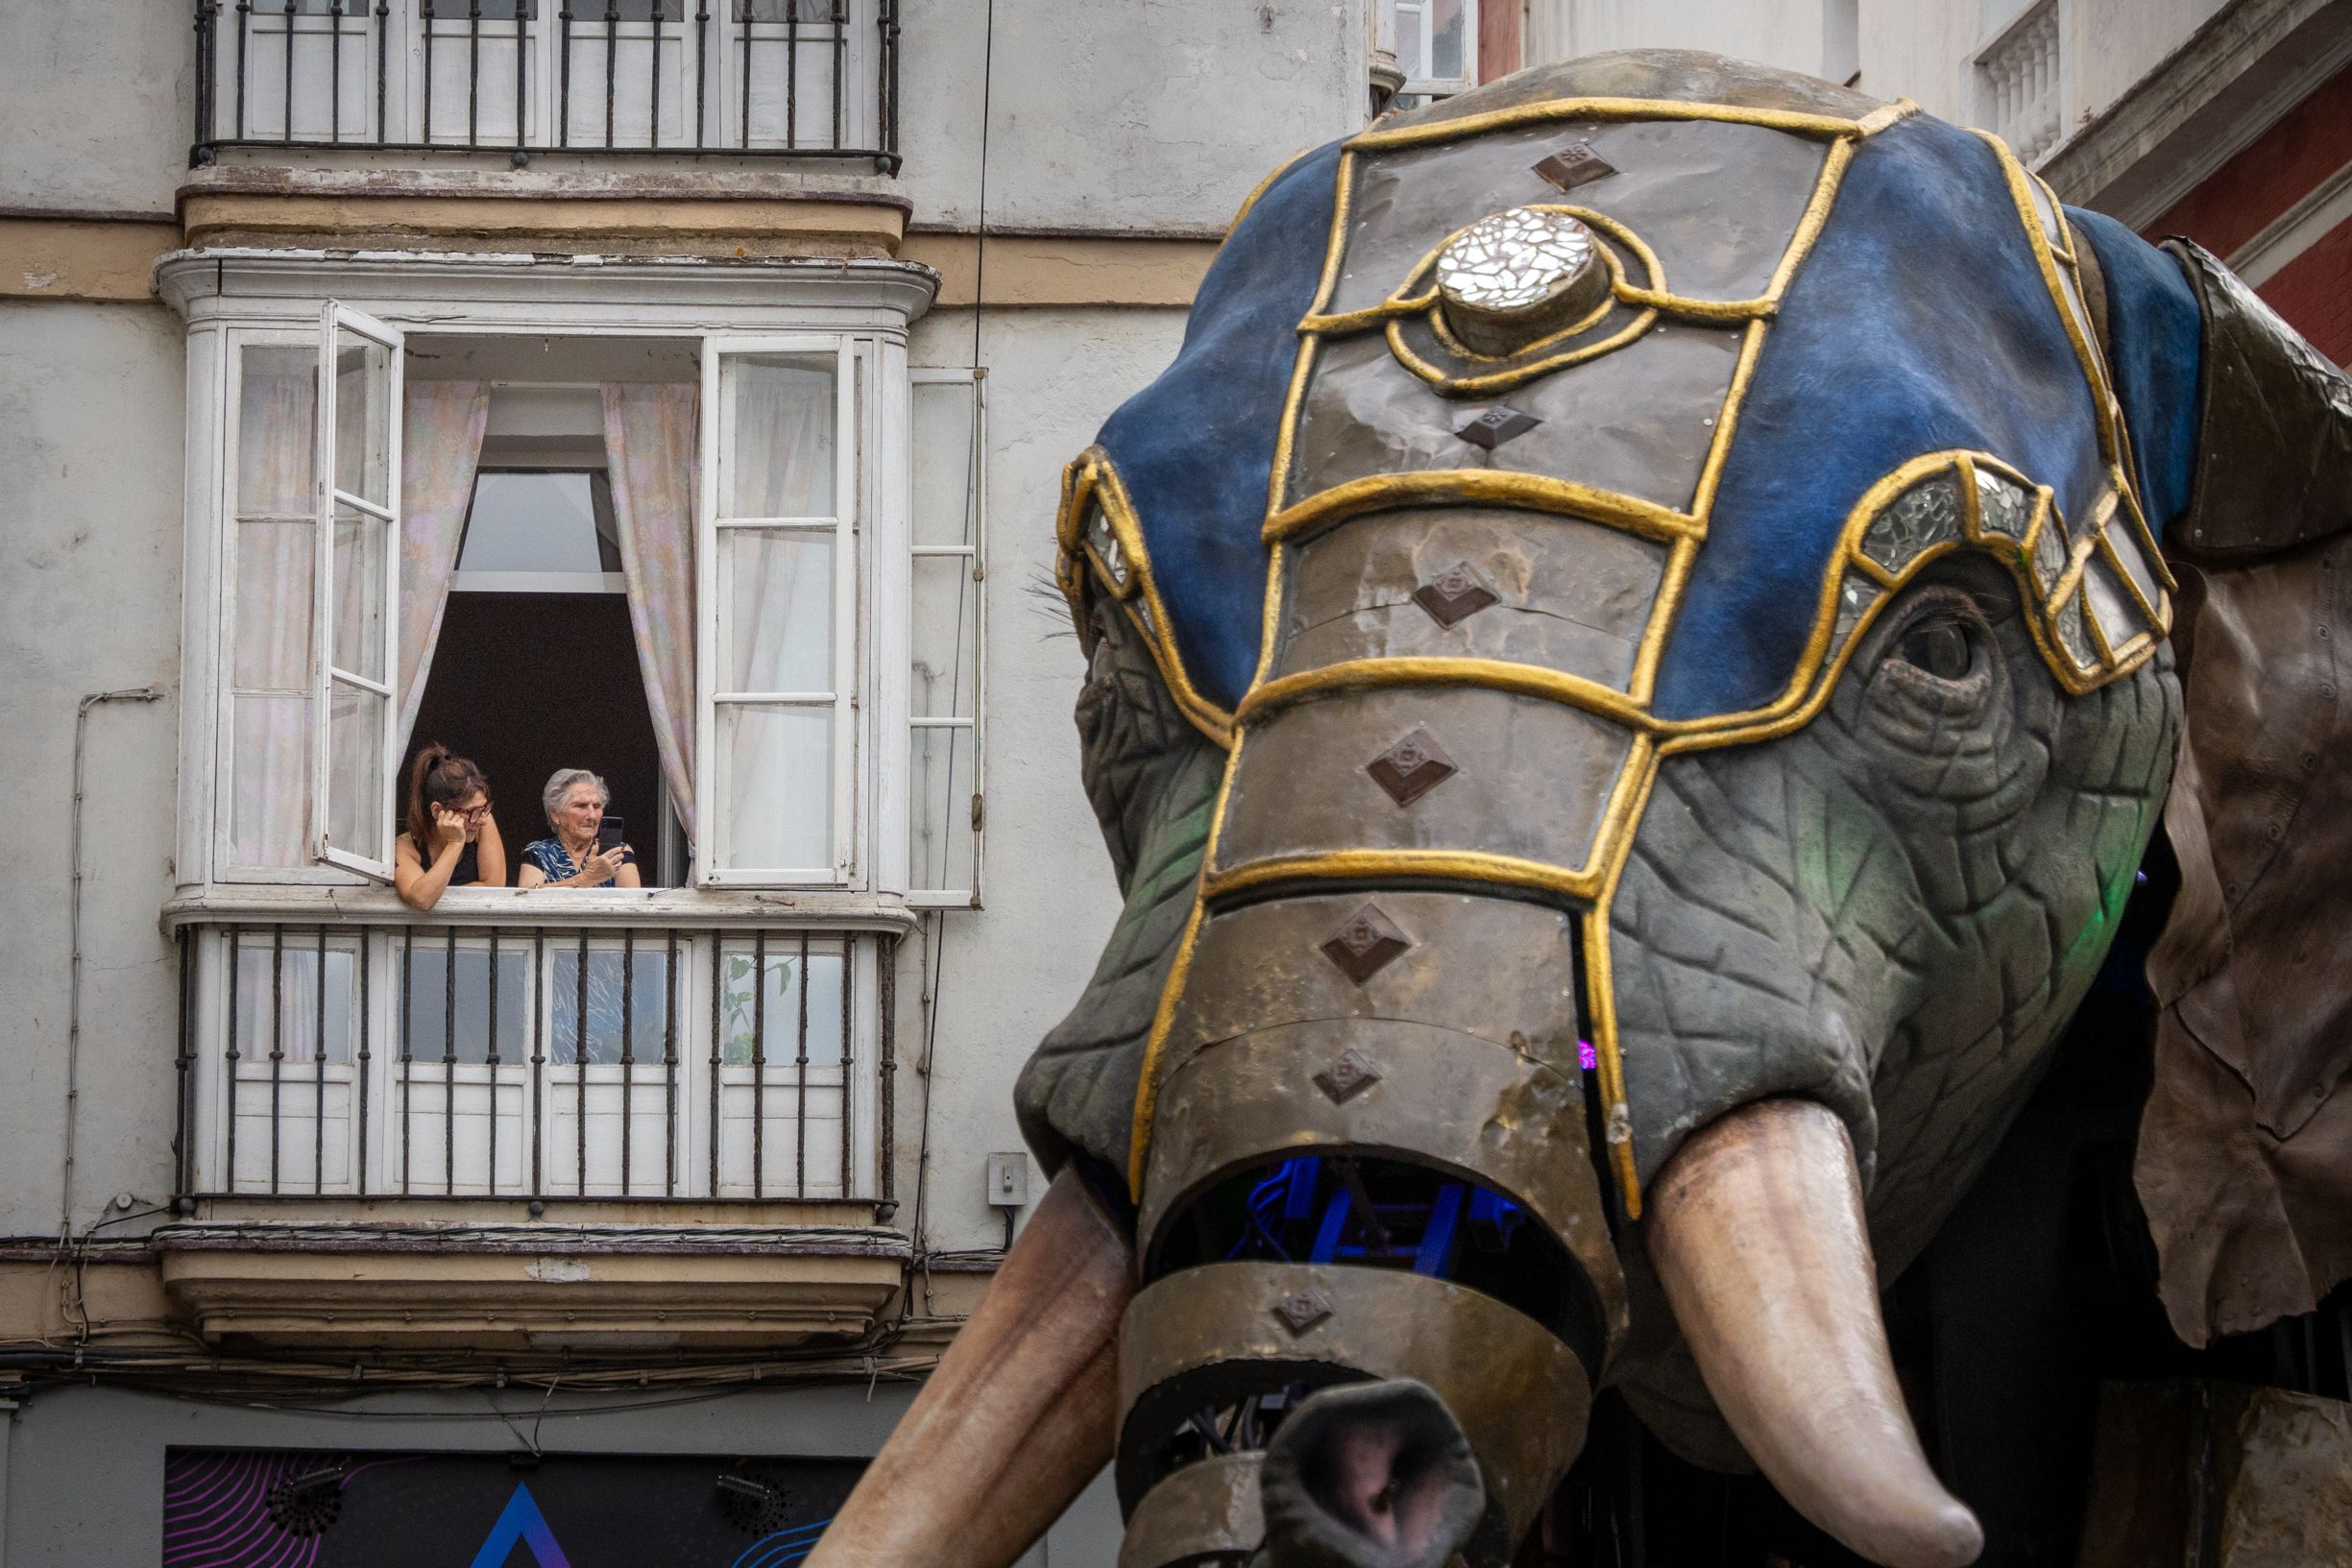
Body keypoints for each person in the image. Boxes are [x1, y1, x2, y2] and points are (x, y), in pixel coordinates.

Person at [393, 746, 508, 911]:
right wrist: (455, 843)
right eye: (472, 811)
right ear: (437, 811)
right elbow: (421, 898)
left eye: (484, 808)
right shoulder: (405, 847)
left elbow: (494, 887)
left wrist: (436, 889)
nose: (482, 819)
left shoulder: (482, 820)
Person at [518, 767, 640, 889]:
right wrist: (587, 879)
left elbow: (634, 903)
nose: (592, 816)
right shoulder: (539, 852)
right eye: (581, 806)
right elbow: (524, 897)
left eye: (597, 806)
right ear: (555, 814)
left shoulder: (618, 852)